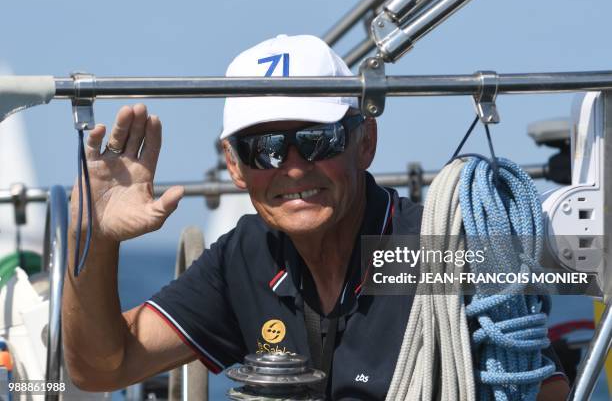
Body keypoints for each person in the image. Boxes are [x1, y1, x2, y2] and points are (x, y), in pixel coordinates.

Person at [62, 34, 570, 400]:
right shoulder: (247, 255)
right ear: (235, 166)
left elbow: (540, 387)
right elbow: (104, 366)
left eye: (317, 139)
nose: (293, 167)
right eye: (264, 149)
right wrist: (94, 239)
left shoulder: (436, 250)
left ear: (364, 142)